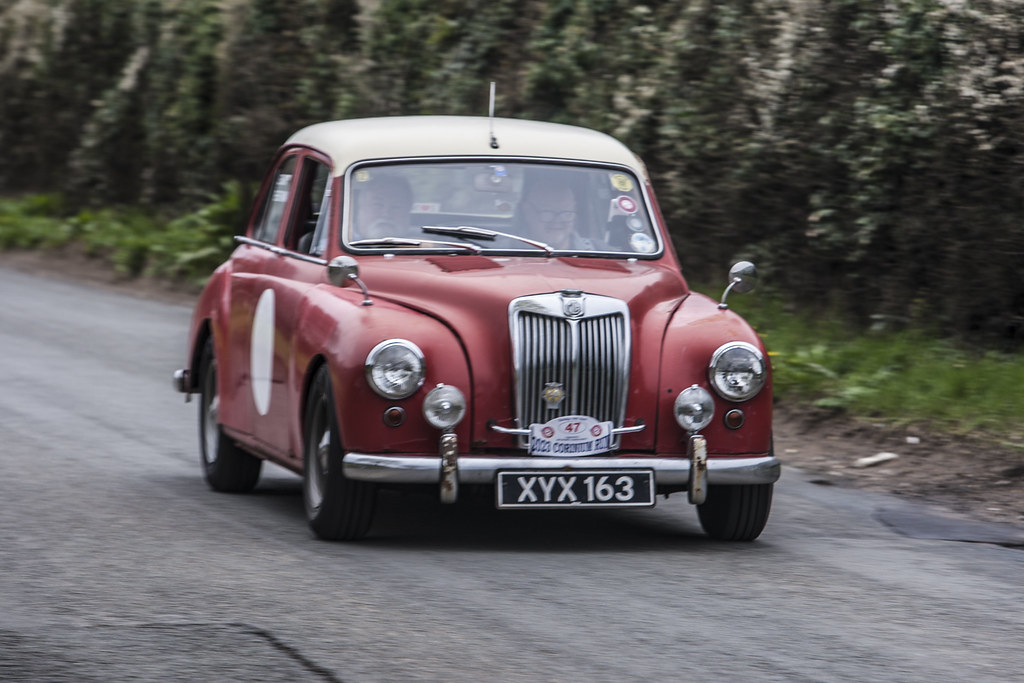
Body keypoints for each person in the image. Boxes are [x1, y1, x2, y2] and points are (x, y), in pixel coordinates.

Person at [518, 172, 598, 251]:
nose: (557, 222)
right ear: (527, 212)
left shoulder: (600, 252)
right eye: (547, 213)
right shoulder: (506, 252)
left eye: (566, 213)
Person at [351, 174, 413, 240]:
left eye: (396, 207)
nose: (386, 214)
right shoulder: (343, 240)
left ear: (407, 213)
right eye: (378, 205)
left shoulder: (420, 245)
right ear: (361, 209)